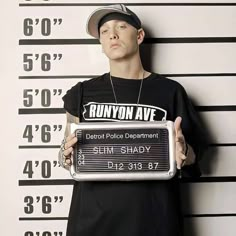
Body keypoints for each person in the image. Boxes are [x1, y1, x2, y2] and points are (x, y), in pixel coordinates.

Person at [58, 4, 208, 236]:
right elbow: (65, 154)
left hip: (154, 220)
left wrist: (184, 151)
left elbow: (194, 154)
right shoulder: (81, 93)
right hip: (92, 222)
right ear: (101, 43)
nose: (112, 34)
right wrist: (65, 156)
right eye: (104, 31)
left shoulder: (170, 91)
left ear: (139, 36)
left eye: (121, 26)